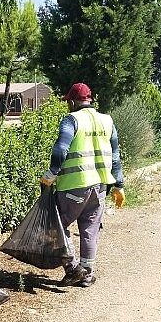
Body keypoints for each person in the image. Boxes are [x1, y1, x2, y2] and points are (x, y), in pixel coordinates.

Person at [39, 82, 126, 288]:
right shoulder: (107, 121)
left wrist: (51, 174)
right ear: (90, 100)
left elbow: (61, 149)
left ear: (71, 101)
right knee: (90, 230)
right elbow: (115, 157)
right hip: (100, 187)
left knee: (57, 225)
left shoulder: (71, 120)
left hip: (74, 186)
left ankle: (73, 269)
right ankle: (87, 275)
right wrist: (119, 185)